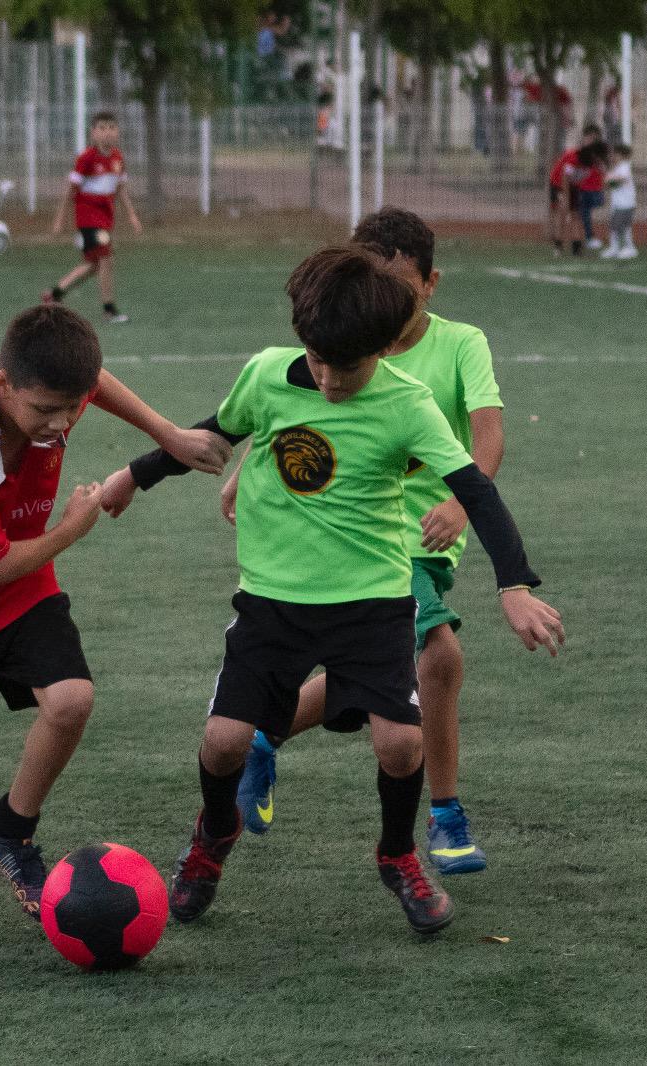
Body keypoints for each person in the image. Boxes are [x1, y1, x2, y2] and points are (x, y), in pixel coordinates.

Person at [101, 246, 563, 934]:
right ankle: (214, 835)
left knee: (400, 747)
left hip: (372, 604)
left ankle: (398, 854)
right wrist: (134, 475)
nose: (328, 378)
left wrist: (514, 585)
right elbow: (215, 431)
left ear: (382, 347)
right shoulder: (266, 375)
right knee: (225, 741)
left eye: (345, 367)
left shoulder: (407, 404)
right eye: (317, 360)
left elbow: (476, 492)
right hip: (271, 602)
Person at [0, 304, 233, 926]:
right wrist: (72, 528)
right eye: (45, 411)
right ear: (3, 383)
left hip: (21, 580)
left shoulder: (55, 390)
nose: (61, 423)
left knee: (71, 699)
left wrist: (166, 433)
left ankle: (10, 833)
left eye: (70, 408)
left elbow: (96, 381)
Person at [195, 211, 507, 876]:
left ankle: (264, 734)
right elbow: (293, 411)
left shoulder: (456, 346)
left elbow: (486, 441)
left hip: (428, 530)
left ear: (428, 284)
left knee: (397, 670)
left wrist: (458, 500)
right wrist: (252, 465)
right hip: (374, 539)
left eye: (394, 283)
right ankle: (443, 819)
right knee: (439, 657)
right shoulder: (340, 340)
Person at [44, 112, 141, 325]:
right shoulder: (86, 158)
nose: (108, 133)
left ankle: (55, 293)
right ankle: (109, 309)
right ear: (93, 133)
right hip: (88, 217)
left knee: (93, 265)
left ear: (118, 132)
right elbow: (70, 190)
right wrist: (60, 219)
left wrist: (132, 215)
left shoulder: (117, 158)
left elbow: (121, 189)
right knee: (107, 259)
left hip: (105, 218)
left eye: (112, 128)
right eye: (102, 128)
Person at [546, 123, 600, 256]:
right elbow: (565, 178)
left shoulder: (595, 159)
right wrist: (566, 197)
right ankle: (558, 246)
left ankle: (577, 248)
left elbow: (582, 178)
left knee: (576, 215)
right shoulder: (573, 156)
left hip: (574, 186)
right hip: (558, 184)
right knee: (562, 213)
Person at [602, 144, 638, 260]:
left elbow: (618, 181)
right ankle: (615, 248)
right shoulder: (617, 168)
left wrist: (608, 181)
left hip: (625, 203)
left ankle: (629, 248)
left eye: (615, 154)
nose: (612, 156)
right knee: (616, 226)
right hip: (618, 204)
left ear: (621, 155)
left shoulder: (624, 167)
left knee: (619, 226)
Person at [574, 140, 609, 251]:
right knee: (585, 215)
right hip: (585, 190)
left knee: (588, 213)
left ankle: (591, 237)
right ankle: (589, 238)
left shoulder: (599, 162)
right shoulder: (585, 160)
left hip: (595, 191)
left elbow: (604, 174)